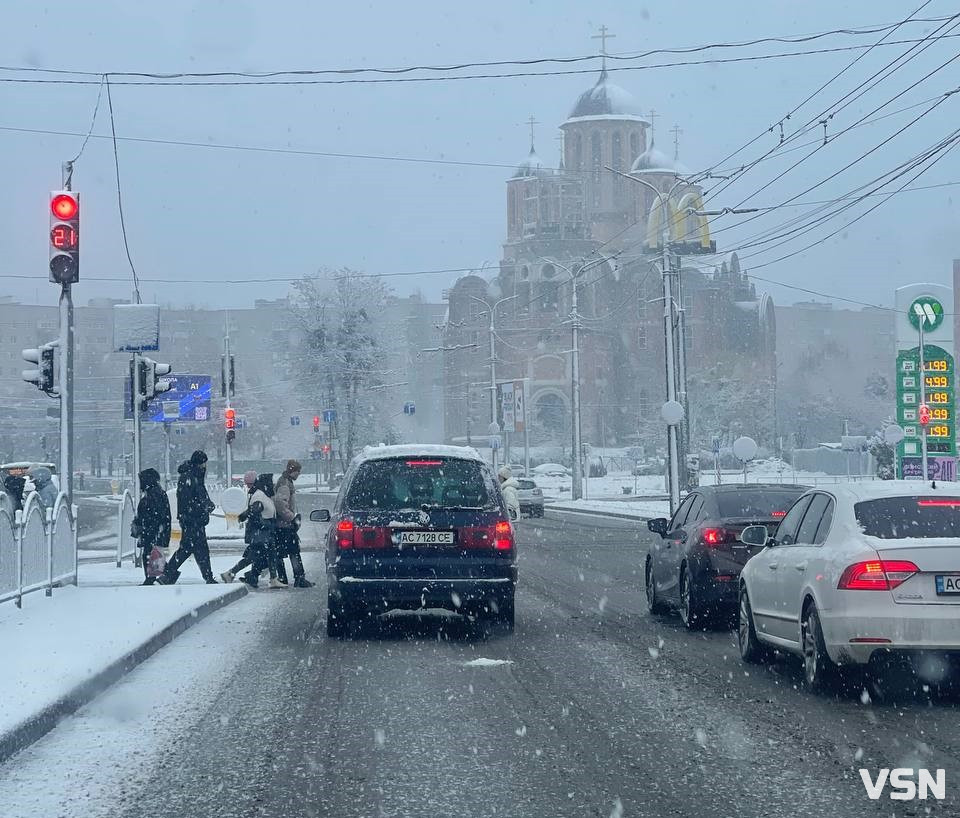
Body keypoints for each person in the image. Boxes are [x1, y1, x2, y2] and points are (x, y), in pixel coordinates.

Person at [159, 450, 216, 584]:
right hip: (193, 520)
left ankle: (169, 574)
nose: (205, 466)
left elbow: (199, 496)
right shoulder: (190, 478)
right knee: (191, 549)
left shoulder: (192, 476)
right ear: (199, 463)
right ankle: (168, 574)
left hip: (193, 520)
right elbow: (193, 498)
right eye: (204, 463)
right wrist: (204, 506)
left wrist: (206, 505)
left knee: (195, 550)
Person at [238, 473, 284, 589]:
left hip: (265, 532)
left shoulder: (263, 494)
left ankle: (253, 576)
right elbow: (254, 512)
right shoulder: (260, 495)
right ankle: (234, 573)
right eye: (270, 483)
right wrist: (266, 525)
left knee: (263, 556)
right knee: (259, 556)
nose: (272, 485)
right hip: (262, 532)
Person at [274, 459, 313, 588]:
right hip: (285, 526)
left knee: (281, 553)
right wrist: (292, 518)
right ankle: (299, 578)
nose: (299, 474)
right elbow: (281, 505)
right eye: (298, 471)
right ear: (292, 471)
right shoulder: (285, 484)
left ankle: (283, 578)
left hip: (282, 525)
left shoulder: (286, 481)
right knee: (294, 552)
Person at [133, 468, 171, 586]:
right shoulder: (156, 492)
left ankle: (153, 578)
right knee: (154, 553)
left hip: (153, 529)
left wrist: (143, 525)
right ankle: (163, 575)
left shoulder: (153, 494)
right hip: (155, 529)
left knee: (151, 554)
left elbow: (154, 513)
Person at [219, 470, 257, 583]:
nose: (249, 486)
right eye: (248, 484)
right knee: (255, 556)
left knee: (256, 556)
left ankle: (251, 575)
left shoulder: (254, 493)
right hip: (257, 531)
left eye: (250, 484)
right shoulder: (255, 494)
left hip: (256, 531)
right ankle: (237, 574)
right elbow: (252, 511)